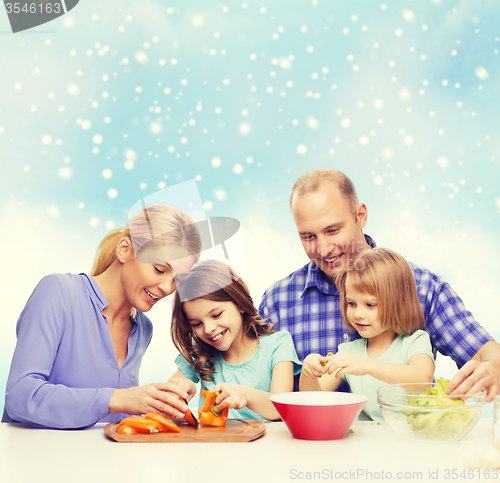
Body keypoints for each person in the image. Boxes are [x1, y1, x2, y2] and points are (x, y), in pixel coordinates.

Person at [259, 168, 500, 401]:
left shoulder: (423, 287)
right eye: (308, 237)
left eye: (333, 230)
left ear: (360, 215)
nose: (323, 249)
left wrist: (493, 370)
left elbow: (484, 354)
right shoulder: (278, 300)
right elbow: (251, 382)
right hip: (311, 442)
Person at [2, 204, 201, 429]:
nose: (167, 287)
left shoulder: (143, 329)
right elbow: (20, 395)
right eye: (159, 269)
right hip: (38, 460)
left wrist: (164, 403)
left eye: (179, 279)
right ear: (125, 249)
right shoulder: (58, 293)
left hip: (103, 463)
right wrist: (119, 399)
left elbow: (110, 421)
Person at [299, 248, 435, 420]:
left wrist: (368, 366)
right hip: (365, 442)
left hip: (410, 438)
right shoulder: (349, 354)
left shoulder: (414, 342)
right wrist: (308, 372)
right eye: (352, 303)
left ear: (398, 303)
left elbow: (423, 380)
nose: (358, 314)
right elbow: (313, 399)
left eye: (370, 305)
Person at [170, 259, 302, 422]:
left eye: (216, 315)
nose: (208, 329)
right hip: (213, 444)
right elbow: (167, 399)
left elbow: (280, 408)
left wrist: (243, 394)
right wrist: (180, 392)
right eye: (197, 324)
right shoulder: (200, 352)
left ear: (240, 303)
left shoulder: (278, 344)